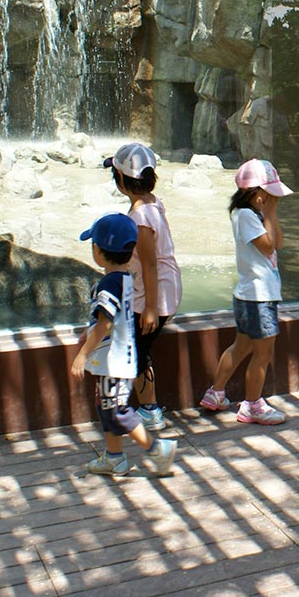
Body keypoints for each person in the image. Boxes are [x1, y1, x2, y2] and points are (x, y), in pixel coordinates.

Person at [71, 213, 179, 477]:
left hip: (114, 362)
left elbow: (106, 323)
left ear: (97, 251)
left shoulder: (109, 283)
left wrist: (82, 355)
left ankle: (157, 450)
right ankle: (114, 456)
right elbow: (112, 320)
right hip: (118, 358)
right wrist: (89, 334)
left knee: (117, 411)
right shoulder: (126, 278)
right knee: (106, 407)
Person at [198, 159, 293, 425]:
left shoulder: (253, 216)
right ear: (257, 193)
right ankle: (252, 405)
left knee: (241, 347)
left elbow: (278, 244)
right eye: (271, 193)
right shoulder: (246, 217)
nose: (275, 198)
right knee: (263, 354)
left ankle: (216, 393)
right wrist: (271, 215)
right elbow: (268, 246)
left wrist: (270, 215)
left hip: (252, 295)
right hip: (258, 297)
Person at [104, 142, 183, 432]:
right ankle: (148, 407)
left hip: (156, 293)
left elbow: (150, 264)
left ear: (122, 180)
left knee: (135, 350)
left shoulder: (139, 218)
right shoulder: (151, 203)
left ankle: (149, 411)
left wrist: (150, 308)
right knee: (140, 347)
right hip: (162, 287)